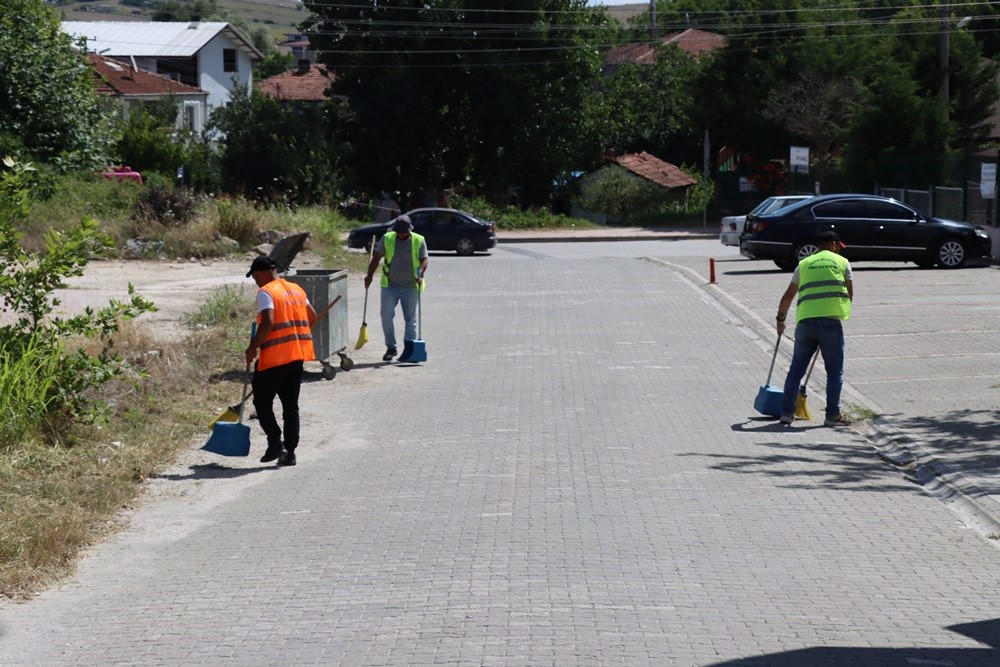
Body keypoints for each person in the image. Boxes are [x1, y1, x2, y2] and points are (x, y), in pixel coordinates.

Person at [775, 230, 854, 427]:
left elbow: (787, 297)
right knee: (834, 372)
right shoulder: (842, 262)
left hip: (805, 324)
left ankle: (786, 413)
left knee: (795, 370)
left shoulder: (804, 264)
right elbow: (849, 295)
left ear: (818, 246)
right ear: (834, 245)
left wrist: (780, 319)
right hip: (830, 324)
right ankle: (832, 415)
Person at [245, 256, 317, 466]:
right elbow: (311, 316)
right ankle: (290, 453)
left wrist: (252, 348)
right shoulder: (296, 289)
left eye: (255, 278)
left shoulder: (266, 292)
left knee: (261, 401)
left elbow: (267, 323)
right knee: (290, 406)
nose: (256, 282)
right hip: (296, 356)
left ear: (260, 274)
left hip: (275, 358)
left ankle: (275, 442)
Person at [364, 215, 428, 362]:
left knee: (410, 320)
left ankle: (410, 350)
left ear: (409, 230)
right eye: (399, 232)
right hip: (390, 285)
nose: (401, 235)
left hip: (411, 286)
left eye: (404, 232)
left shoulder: (419, 240)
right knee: (386, 316)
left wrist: (421, 274)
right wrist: (369, 276)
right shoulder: (388, 238)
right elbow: (376, 258)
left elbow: (424, 259)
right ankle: (391, 348)